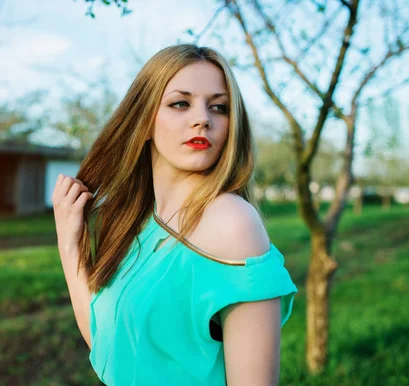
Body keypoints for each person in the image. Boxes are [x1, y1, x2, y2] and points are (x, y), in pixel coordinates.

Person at [52, 44, 298, 386]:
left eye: (219, 108)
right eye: (180, 103)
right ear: (144, 121)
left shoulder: (231, 223)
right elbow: (112, 349)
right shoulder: (140, 222)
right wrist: (70, 242)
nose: (203, 119)